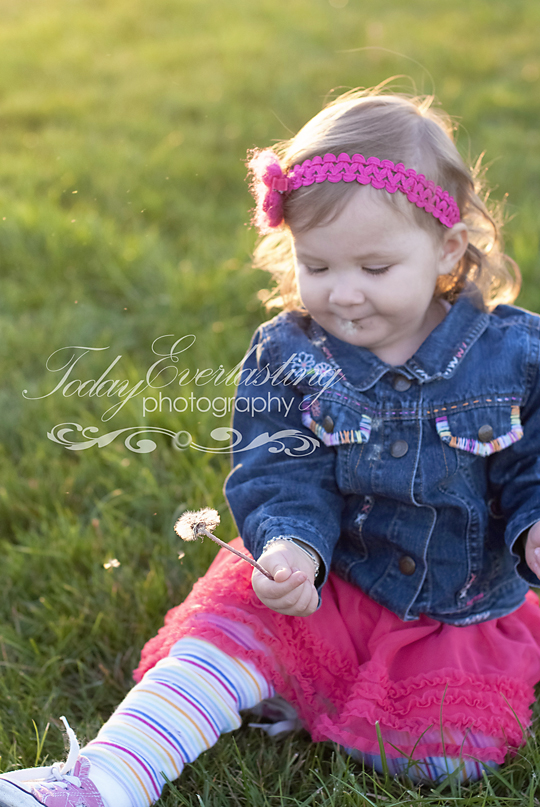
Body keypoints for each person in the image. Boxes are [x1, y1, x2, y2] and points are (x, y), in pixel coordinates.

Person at [3, 86, 540, 807]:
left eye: (374, 269)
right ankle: (108, 777)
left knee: (440, 757)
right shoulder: (289, 354)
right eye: (318, 266)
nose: (343, 293)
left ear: (446, 248)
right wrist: (290, 545)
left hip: (454, 610)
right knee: (219, 639)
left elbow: (533, 460)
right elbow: (278, 465)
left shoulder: (514, 356)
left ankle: (299, 692)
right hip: (329, 581)